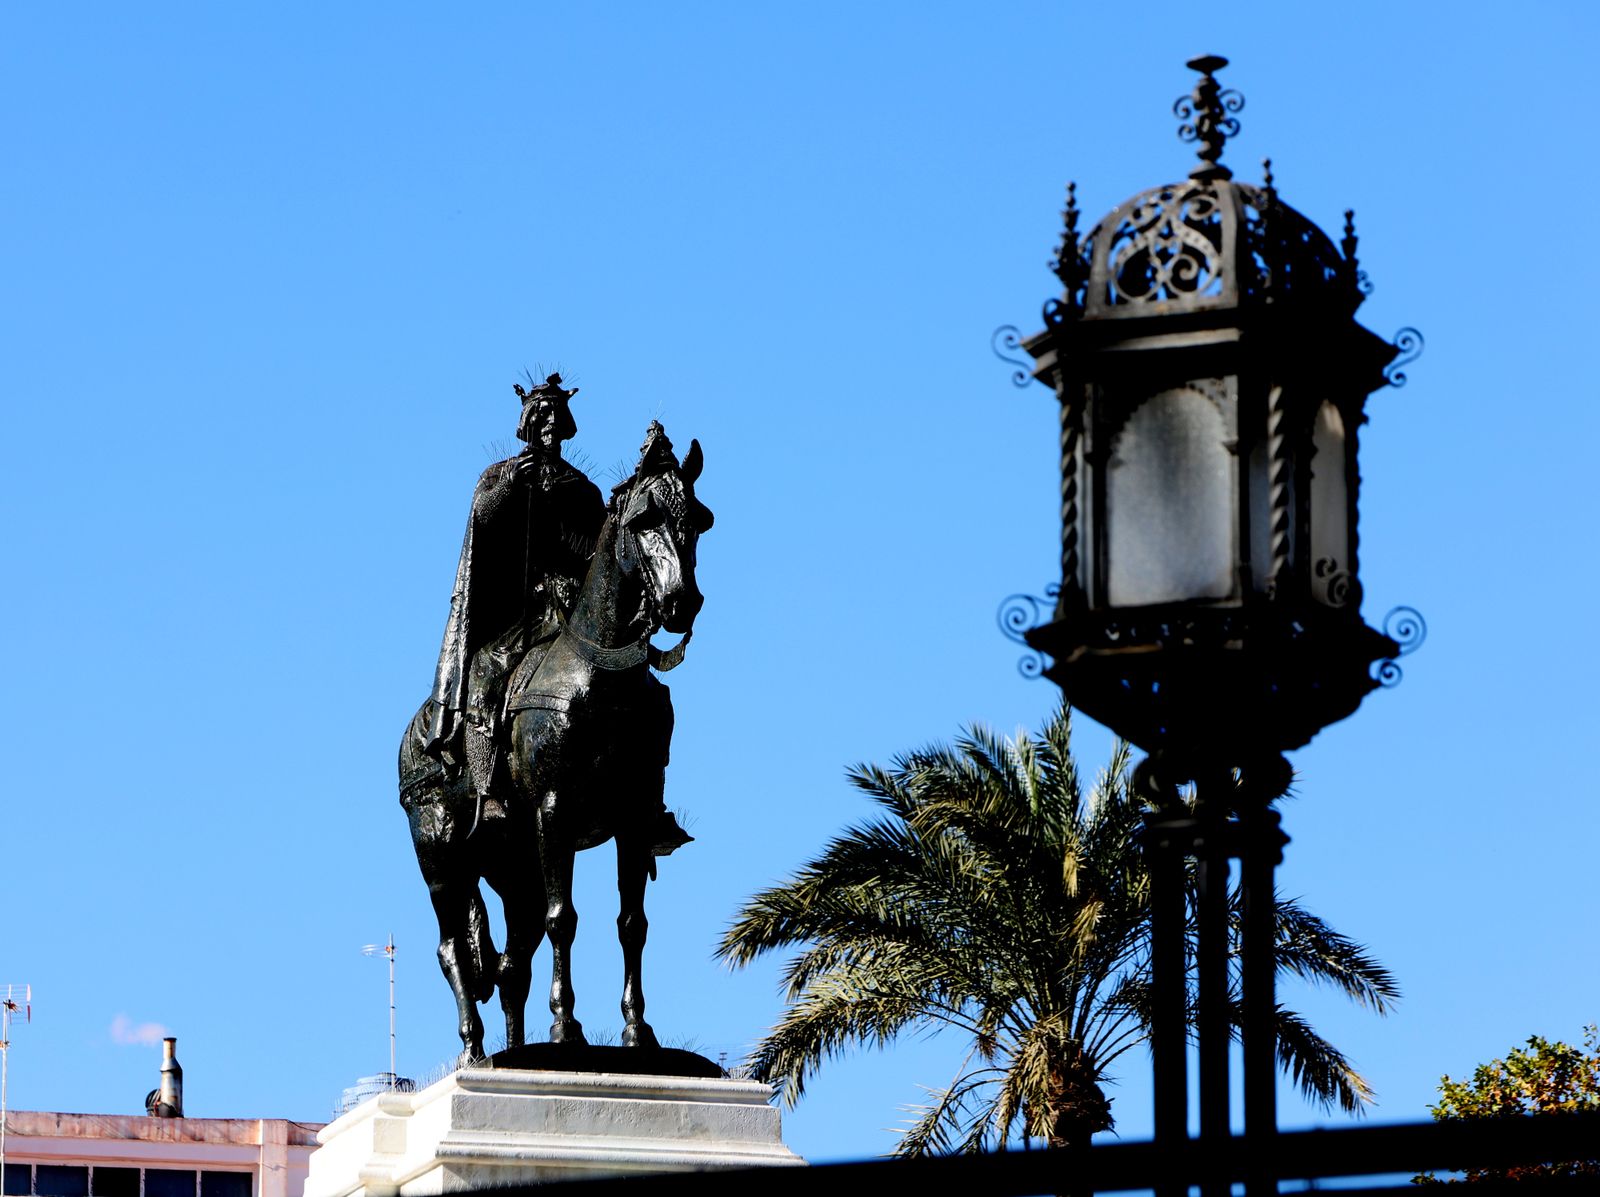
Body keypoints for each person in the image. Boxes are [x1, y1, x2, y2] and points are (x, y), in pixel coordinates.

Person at [424, 373, 605, 801]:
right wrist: (509, 486)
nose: (549, 425)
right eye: (541, 417)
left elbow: (595, 551)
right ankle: (487, 788)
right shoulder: (500, 475)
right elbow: (482, 519)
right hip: (518, 611)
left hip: (573, 610)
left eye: (556, 418)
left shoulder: (582, 489)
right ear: (527, 423)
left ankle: (645, 798)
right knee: (485, 675)